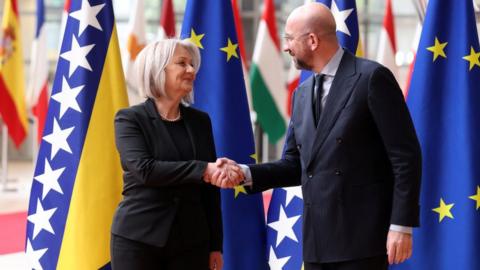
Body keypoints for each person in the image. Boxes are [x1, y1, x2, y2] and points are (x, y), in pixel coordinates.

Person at [212, 3, 422, 270]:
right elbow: (294, 165)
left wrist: (401, 224)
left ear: (312, 40)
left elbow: (405, 156)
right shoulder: (301, 94)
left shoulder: (372, 78)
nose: (286, 46)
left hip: (362, 240)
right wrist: (244, 173)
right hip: (316, 244)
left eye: (289, 38)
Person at [110, 39, 238, 270]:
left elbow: (209, 191)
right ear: (158, 70)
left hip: (192, 243)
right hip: (139, 240)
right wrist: (204, 169)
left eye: (192, 64)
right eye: (182, 63)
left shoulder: (200, 121)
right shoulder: (129, 119)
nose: (191, 70)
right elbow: (145, 170)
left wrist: (215, 246)